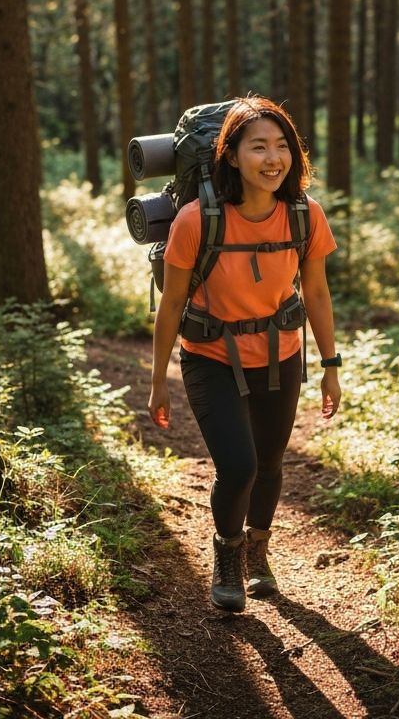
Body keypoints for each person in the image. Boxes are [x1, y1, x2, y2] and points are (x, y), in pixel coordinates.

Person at [148, 95, 342, 612]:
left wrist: (330, 366)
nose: (273, 158)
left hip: (281, 354)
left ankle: (259, 551)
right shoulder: (195, 220)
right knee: (239, 466)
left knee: (271, 463)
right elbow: (170, 306)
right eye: (258, 147)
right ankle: (228, 554)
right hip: (210, 356)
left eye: (282, 146)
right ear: (231, 156)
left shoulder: (304, 215)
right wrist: (157, 380)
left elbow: (317, 293)